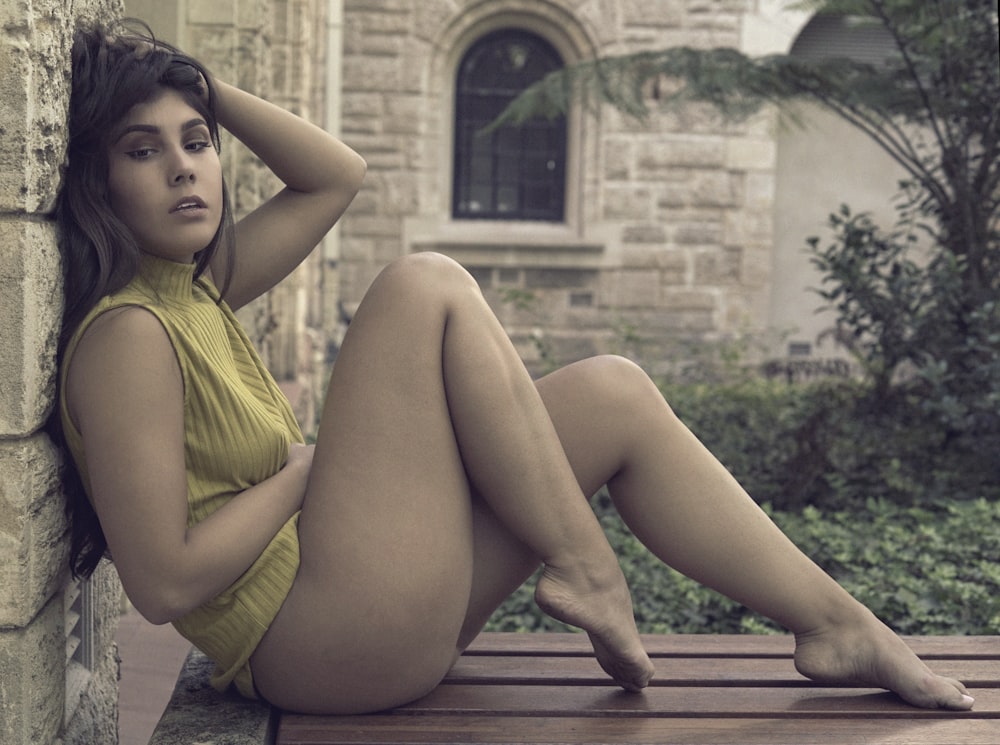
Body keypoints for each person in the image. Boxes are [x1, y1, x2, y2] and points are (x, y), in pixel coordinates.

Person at [52, 20, 975, 716]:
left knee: (611, 390)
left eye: (197, 141)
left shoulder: (198, 286)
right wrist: (301, 475)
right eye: (144, 151)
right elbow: (164, 584)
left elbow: (335, 174)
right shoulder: (127, 333)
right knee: (423, 285)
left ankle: (841, 625)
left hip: (360, 602)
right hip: (317, 642)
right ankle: (587, 565)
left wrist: (194, 81)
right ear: (100, 182)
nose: (184, 169)